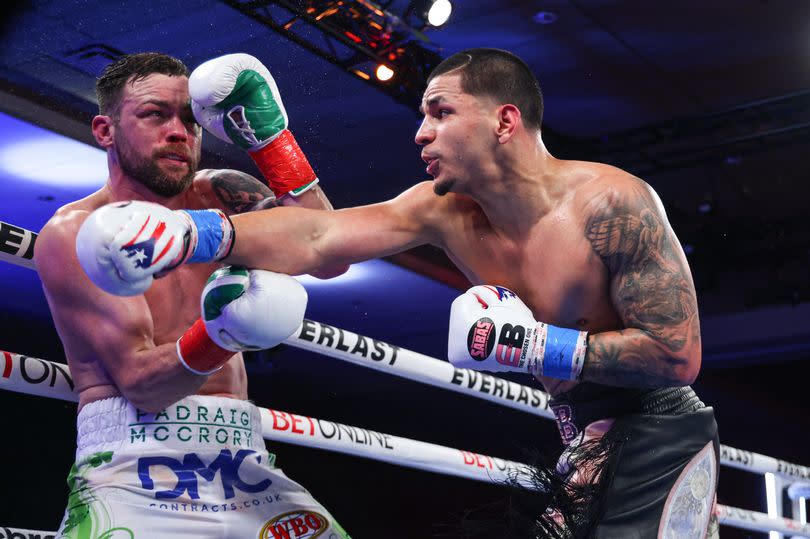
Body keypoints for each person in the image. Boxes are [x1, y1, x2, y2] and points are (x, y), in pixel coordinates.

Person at [77, 48, 719, 538]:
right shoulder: (442, 210)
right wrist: (193, 234)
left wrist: (536, 347)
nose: (421, 133)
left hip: (658, 430)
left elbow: (676, 355)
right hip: (580, 436)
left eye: (441, 113)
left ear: (504, 120)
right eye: (422, 116)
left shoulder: (613, 202)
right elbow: (322, 237)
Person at [35, 52, 350, 538]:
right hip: (130, 463)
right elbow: (143, 383)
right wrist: (226, 332)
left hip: (244, 459)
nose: (179, 131)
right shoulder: (77, 232)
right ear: (105, 130)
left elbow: (328, 255)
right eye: (155, 114)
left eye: (189, 118)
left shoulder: (221, 195)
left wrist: (272, 140)